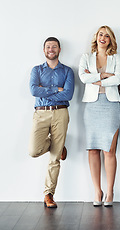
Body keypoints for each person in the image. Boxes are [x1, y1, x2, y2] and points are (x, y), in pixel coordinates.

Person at [79, 26, 120, 207]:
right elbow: (82, 77)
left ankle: (110, 191)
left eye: (107, 35)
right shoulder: (85, 58)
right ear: (96, 37)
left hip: (111, 105)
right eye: (100, 34)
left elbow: (118, 79)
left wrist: (95, 78)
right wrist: (104, 75)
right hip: (92, 106)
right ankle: (98, 190)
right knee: (93, 149)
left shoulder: (116, 58)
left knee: (109, 150)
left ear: (111, 39)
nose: (103, 37)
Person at [29, 37, 75, 208]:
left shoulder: (68, 71)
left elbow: (68, 95)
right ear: (44, 50)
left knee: (54, 159)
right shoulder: (36, 70)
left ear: (59, 50)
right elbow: (34, 90)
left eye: (54, 47)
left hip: (61, 113)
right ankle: (59, 145)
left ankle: (49, 194)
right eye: (48, 47)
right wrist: (56, 89)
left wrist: (45, 92)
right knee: (34, 150)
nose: (51, 49)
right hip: (41, 114)